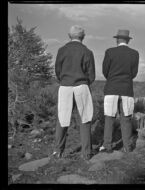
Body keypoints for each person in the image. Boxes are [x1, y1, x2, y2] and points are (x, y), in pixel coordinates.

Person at [52, 25, 96, 161]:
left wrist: (64, 81)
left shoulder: (62, 50)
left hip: (65, 86)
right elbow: (91, 75)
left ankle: (58, 151)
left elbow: (57, 71)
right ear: (83, 36)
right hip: (81, 86)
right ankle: (86, 153)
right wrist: (83, 83)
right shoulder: (87, 52)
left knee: (62, 118)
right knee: (85, 119)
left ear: (69, 35)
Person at [100, 29, 139, 153]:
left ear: (117, 39)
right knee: (126, 118)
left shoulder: (110, 52)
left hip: (111, 88)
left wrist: (112, 79)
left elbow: (105, 71)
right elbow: (134, 73)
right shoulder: (135, 54)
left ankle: (107, 145)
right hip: (127, 89)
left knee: (109, 118)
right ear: (128, 40)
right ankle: (127, 146)